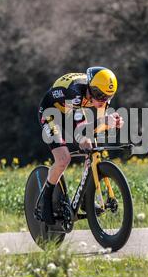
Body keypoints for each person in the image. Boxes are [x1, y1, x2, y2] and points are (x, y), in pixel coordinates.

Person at [37, 66, 124, 225]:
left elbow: (94, 128)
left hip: (70, 112)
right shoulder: (75, 93)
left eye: (108, 97)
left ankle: (84, 198)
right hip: (51, 113)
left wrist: (113, 124)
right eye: (98, 95)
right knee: (63, 159)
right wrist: (105, 122)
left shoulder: (100, 92)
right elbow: (82, 128)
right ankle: (46, 198)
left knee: (89, 145)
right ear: (90, 87)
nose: (102, 101)